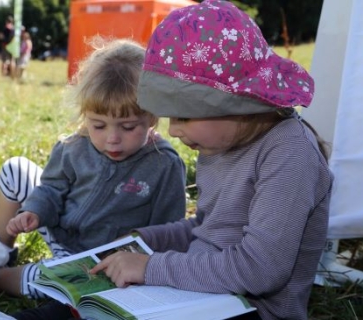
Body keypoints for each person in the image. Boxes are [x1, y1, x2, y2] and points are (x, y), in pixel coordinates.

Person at [90, 1, 333, 320]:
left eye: (185, 115)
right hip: (197, 296)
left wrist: (152, 267)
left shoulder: (289, 154)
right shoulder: (218, 141)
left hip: (252, 310)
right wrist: (145, 238)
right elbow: (208, 228)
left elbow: (260, 270)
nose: (173, 130)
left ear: (239, 104)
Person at [0, 38, 187, 319]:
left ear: (152, 118)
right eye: (98, 125)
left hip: (100, 261)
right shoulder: (74, 146)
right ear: (85, 115)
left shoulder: (164, 164)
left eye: (129, 127)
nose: (112, 138)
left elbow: (170, 229)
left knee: (40, 280)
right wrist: (35, 211)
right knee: (15, 169)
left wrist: (136, 258)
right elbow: (52, 188)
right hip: (59, 230)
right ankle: (0, 248)